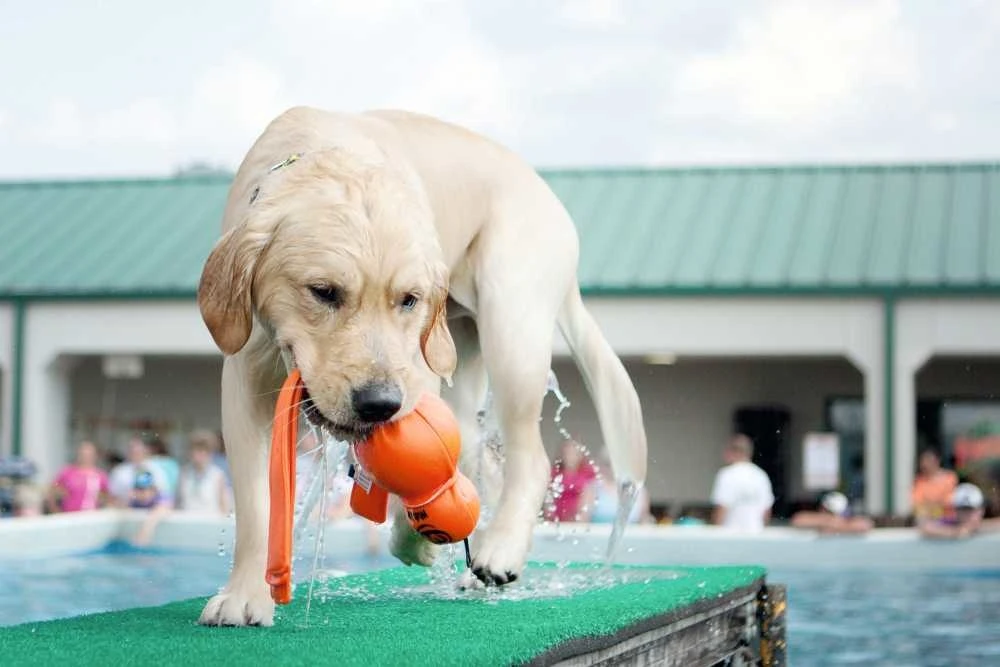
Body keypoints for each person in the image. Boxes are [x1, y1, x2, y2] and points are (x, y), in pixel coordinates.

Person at [710, 434, 775, 532]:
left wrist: (716, 533)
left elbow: (721, 508)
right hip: (755, 535)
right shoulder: (760, 475)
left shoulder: (727, 474)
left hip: (731, 536)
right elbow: (766, 512)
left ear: (734, 451)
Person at [577, 449, 654, 524]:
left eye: (618, 463)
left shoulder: (639, 491)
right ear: (601, 465)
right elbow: (582, 521)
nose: (613, 468)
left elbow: (644, 519)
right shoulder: (592, 489)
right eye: (608, 464)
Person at [918, 483, 1000, 539]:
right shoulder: (950, 523)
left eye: (970, 509)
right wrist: (954, 532)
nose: (967, 514)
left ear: (981, 510)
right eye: (963, 509)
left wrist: (975, 528)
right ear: (955, 510)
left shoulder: (981, 525)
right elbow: (924, 526)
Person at [46, 440, 109, 513]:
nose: (86, 457)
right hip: (69, 516)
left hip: (91, 518)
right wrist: (55, 511)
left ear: (95, 456)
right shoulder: (67, 472)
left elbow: (107, 497)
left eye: (89, 454)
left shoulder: (100, 476)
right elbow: (51, 492)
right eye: (83, 454)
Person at [177, 432, 231, 514]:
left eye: (203, 451)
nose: (199, 454)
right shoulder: (184, 473)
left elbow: (225, 506)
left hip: (210, 522)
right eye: (195, 450)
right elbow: (178, 502)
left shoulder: (218, 475)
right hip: (187, 521)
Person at [108, 437, 171, 507]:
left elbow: (164, 492)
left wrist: (145, 495)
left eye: (138, 451)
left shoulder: (155, 469)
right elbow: (112, 495)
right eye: (133, 451)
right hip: (127, 509)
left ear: (145, 451)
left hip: (151, 509)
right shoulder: (119, 471)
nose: (136, 453)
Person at [545, 439, 596, 522]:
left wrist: (579, 518)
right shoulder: (555, 474)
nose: (570, 456)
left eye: (573, 453)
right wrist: (551, 517)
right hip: (556, 519)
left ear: (580, 455)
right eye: (567, 453)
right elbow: (549, 499)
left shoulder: (587, 474)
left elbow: (588, 499)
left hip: (578, 518)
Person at [790, 491, 873, 535]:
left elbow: (866, 525)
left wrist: (836, 528)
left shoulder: (847, 521)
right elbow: (797, 520)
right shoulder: (822, 520)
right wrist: (828, 522)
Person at [911, 447, 958, 524]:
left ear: (937, 461)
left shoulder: (950, 477)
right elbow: (917, 505)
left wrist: (930, 506)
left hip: (948, 521)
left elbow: (949, 503)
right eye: (922, 461)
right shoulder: (919, 481)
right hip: (927, 521)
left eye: (928, 460)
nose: (924, 464)